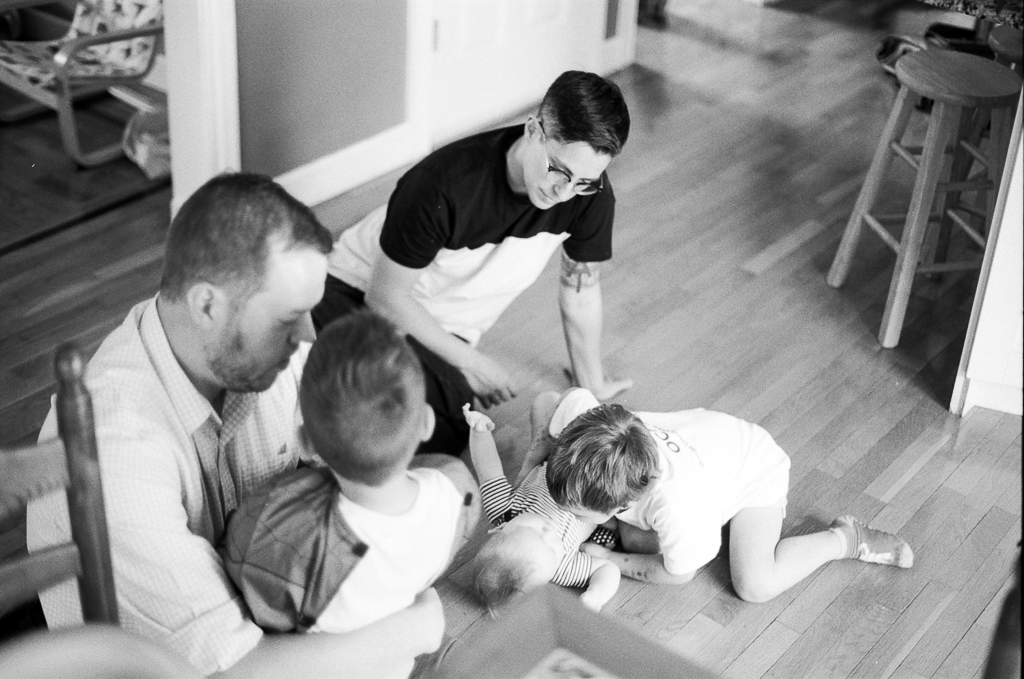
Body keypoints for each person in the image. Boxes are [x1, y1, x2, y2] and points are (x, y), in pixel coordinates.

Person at [26, 173, 443, 678]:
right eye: (289, 318)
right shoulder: (119, 452)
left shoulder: (257, 361)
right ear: (207, 305)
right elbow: (231, 671)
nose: (308, 340)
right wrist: (416, 626)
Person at [312, 70, 633, 456]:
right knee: (361, 409)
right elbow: (385, 298)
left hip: (440, 329)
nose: (565, 193)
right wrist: (474, 363)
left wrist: (591, 386)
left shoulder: (590, 196)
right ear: (533, 129)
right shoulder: (441, 186)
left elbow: (580, 295)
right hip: (357, 292)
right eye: (558, 170)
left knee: (442, 432)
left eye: (584, 181)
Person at [220, 312, 480, 678]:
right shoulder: (456, 491)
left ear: (308, 443)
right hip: (396, 664)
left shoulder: (293, 539)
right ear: (426, 422)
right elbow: (443, 472)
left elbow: (247, 569)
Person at [538, 388, 914, 603]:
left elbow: (678, 574)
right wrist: (532, 463)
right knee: (637, 538)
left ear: (622, 505)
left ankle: (845, 539)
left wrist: (610, 560)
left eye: (577, 510)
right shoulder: (582, 418)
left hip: (753, 469)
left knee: (755, 584)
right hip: (711, 447)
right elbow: (547, 400)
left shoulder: (677, 507)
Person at [463, 400, 622, 613]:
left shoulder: (501, 511)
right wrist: (596, 594)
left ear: (500, 528)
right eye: (552, 549)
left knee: (544, 404)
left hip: (559, 460)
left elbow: (488, 469)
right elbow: (607, 568)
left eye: (535, 532)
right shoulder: (562, 569)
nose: (549, 532)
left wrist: (479, 431)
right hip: (600, 493)